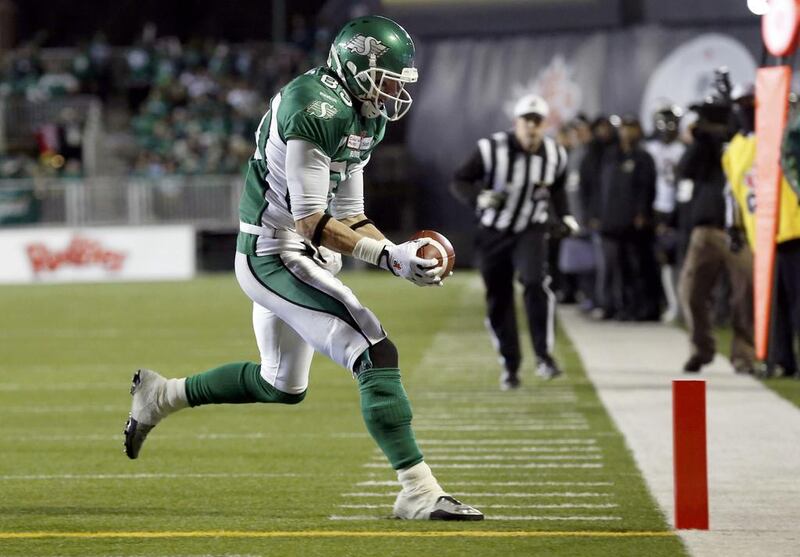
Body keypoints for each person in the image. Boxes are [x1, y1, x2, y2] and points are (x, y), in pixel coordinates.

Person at [122, 15, 483, 522]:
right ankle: (418, 490)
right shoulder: (314, 106)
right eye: (388, 78)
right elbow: (310, 217)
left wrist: (397, 254)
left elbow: (351, 214)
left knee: (281, 385)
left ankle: (160, 396)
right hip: (273, 251)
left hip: (298, 247)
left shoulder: (365, 114)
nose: (394, 90)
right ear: (358, 68)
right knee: (374, 348)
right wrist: (385, 256)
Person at [450, 94, 577, 390]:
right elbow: (459, 180)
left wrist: (566, 217)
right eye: (526, 121)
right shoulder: (491, 149)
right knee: (499, 297)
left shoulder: (555, 154)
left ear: (544, 125)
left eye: (537, 121)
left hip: (530, 228)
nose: (531, 127)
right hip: (493, 231)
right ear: (516, 123)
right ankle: (510, 364)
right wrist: (478, 197)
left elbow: (557, 191)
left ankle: (544, 356)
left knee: (535, 282)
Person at [676, 87, 755, 374]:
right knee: (691, 292)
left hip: (740, 228)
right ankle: (701, 348)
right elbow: (684, 170)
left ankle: (745, 354)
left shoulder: (742, 139)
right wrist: (701, 138)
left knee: (744, 295)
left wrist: (723, 129)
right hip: (706, 228)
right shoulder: (704, 147)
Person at [726, 85, 800, 377]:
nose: (746, 111)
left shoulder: (784, 138)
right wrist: (734, 224)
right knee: (773, 307)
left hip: (793, 229)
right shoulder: (734, 148)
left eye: (751, 105)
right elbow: (732, 191)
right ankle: (782, 360)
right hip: (761, 235)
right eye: (742, 105)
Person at [645, 105, 686, 322]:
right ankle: (670, 303)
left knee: (679, 259)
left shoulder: (684, 150)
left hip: (679, 209)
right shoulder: (650, 149)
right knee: (662, 260)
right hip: (656, 208)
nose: (668, 130)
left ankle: (679, 305)